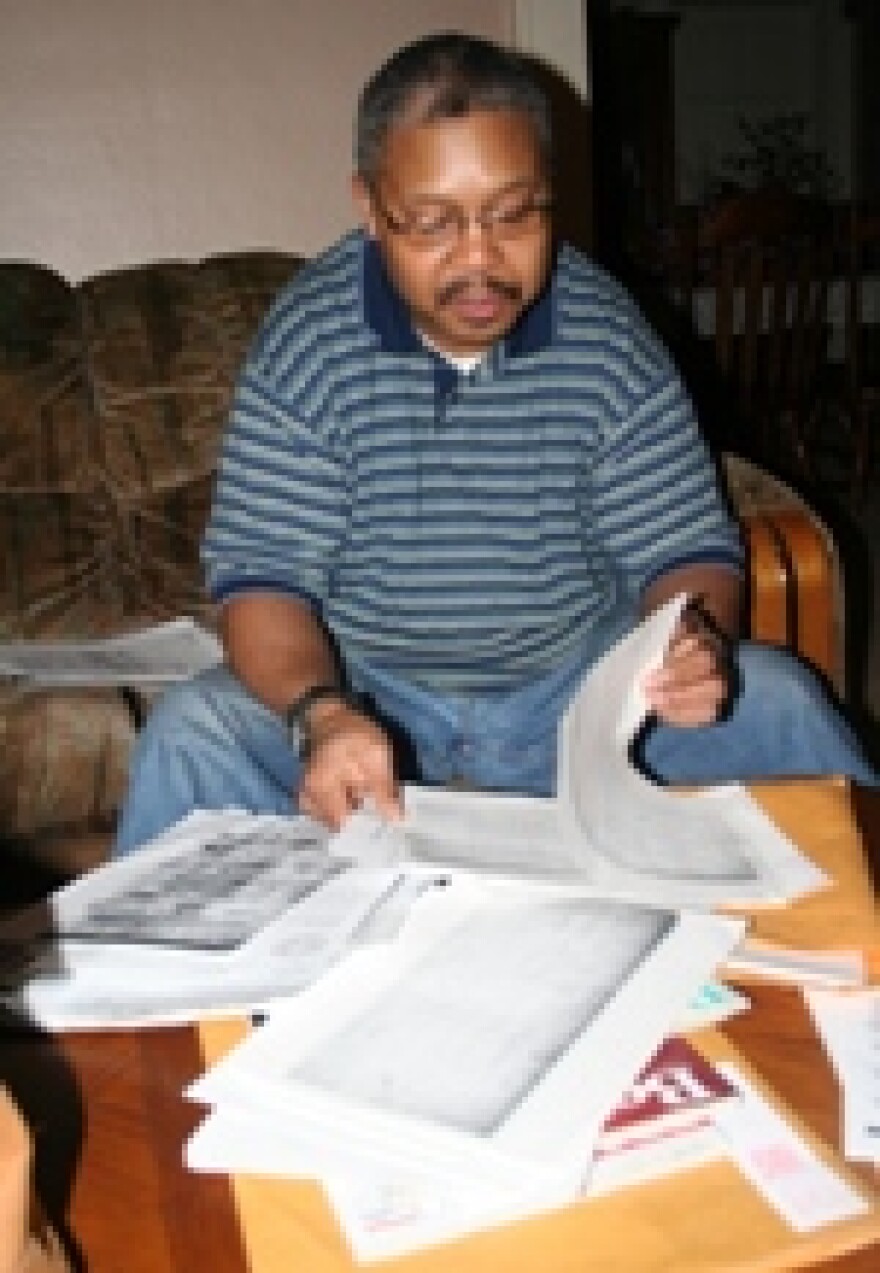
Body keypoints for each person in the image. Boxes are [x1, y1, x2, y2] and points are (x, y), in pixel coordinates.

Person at [114, 31, 876, 853]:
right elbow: (264, 581)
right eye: (432, 224)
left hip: (578, 702)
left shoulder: (607, 336)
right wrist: (322, 714)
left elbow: (682, 546)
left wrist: (688, 639)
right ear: (370, 208)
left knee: (781, 698)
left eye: (514, 215)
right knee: (193, 735)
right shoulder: (310, 344)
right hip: (370, 699)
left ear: (551, 195)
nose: (480, 262)